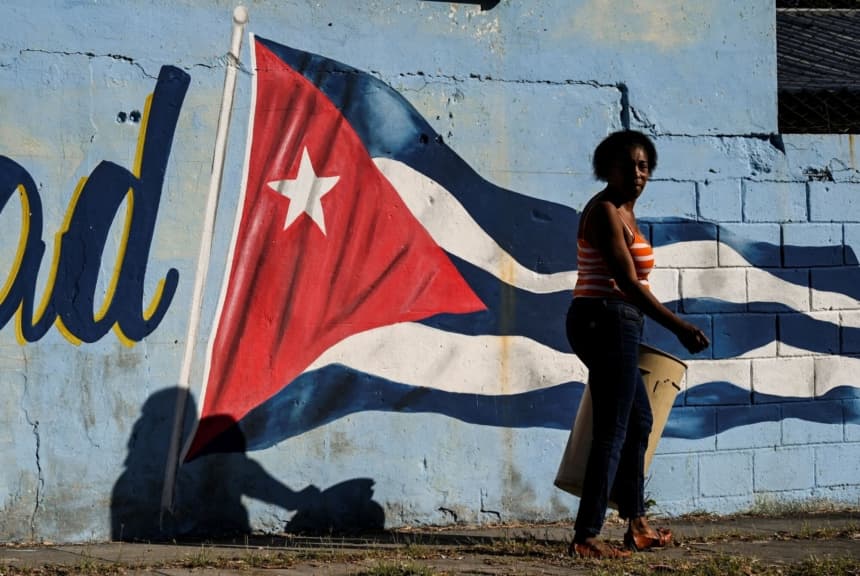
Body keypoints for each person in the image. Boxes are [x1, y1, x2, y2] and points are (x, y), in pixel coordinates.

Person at [566, 130, 709, 559]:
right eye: (628, 164)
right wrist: (678, 325)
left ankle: (636, 523)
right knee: (613, 428)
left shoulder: (627, 214)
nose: (637, 172)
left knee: (639, 422)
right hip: (604, 318)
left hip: (618, 321)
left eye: (644, 165)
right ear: (607, 168)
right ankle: (586, 536)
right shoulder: (606, 211)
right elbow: (628, 282)